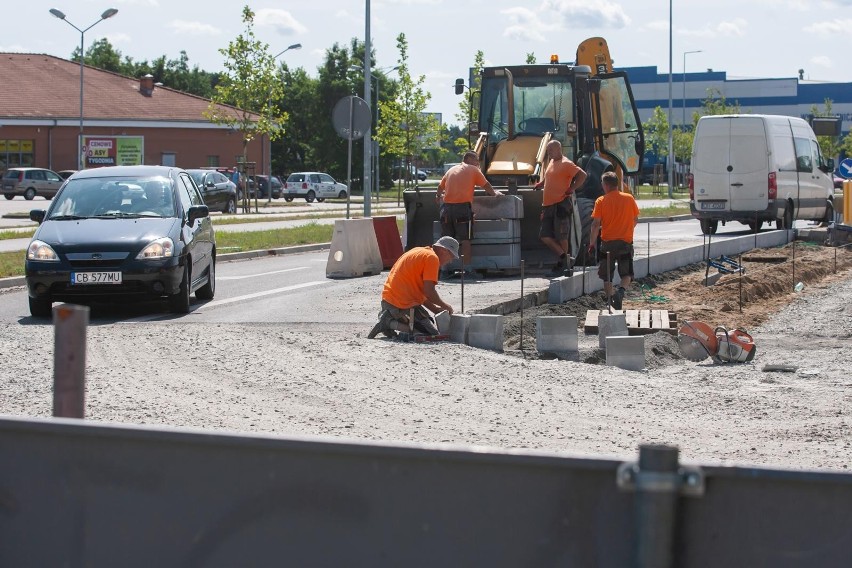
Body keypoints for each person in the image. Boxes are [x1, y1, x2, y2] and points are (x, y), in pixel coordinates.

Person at [367, 236, 459, 339]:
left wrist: (435, 309)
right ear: (444, 250)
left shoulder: (419, 251)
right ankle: (388, 323)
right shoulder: (432, 258)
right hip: (400, 304)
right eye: (451, 257)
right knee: (430, 334)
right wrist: (445, 305)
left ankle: (391, 320)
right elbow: (429, 292)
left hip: (389, 301)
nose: (450, 261)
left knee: (426, 322)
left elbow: (420, 293)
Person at [436, 151, 503, 275]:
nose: (478, 163)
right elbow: (486, 185)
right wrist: (494, 193)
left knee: (446, 240)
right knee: (465, 239)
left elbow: (440, 187)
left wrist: (438, 196)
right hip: (462, 209)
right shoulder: (473, 170)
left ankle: (444, 270)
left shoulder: (451, 170)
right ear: (468, 159)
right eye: (476, 160)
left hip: (446, 210)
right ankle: (466, 270)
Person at [535, 140, 588, 276]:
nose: (549, 153)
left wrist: (572, 188)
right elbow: (550, 178)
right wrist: (541, 184)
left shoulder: (566, 163)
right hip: (547, 205)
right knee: (544, 236)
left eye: (551, 150)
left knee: (562, 235)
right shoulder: (551, 162)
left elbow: (582, 175)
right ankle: (565, 258)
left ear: (559, 149)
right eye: (548, 151)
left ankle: (564, 264)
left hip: (560, 204)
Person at [588, 171, 640, 310]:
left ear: (605, 185)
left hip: (607, 244)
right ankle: (621, 292)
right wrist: (626, 229)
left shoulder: (601, 201)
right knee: (627, 273)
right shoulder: (629, 198)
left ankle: (611, 300)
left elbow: (595, 224)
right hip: (625, 243)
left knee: (607, 276)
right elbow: (635, 220)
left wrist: (592, 243)